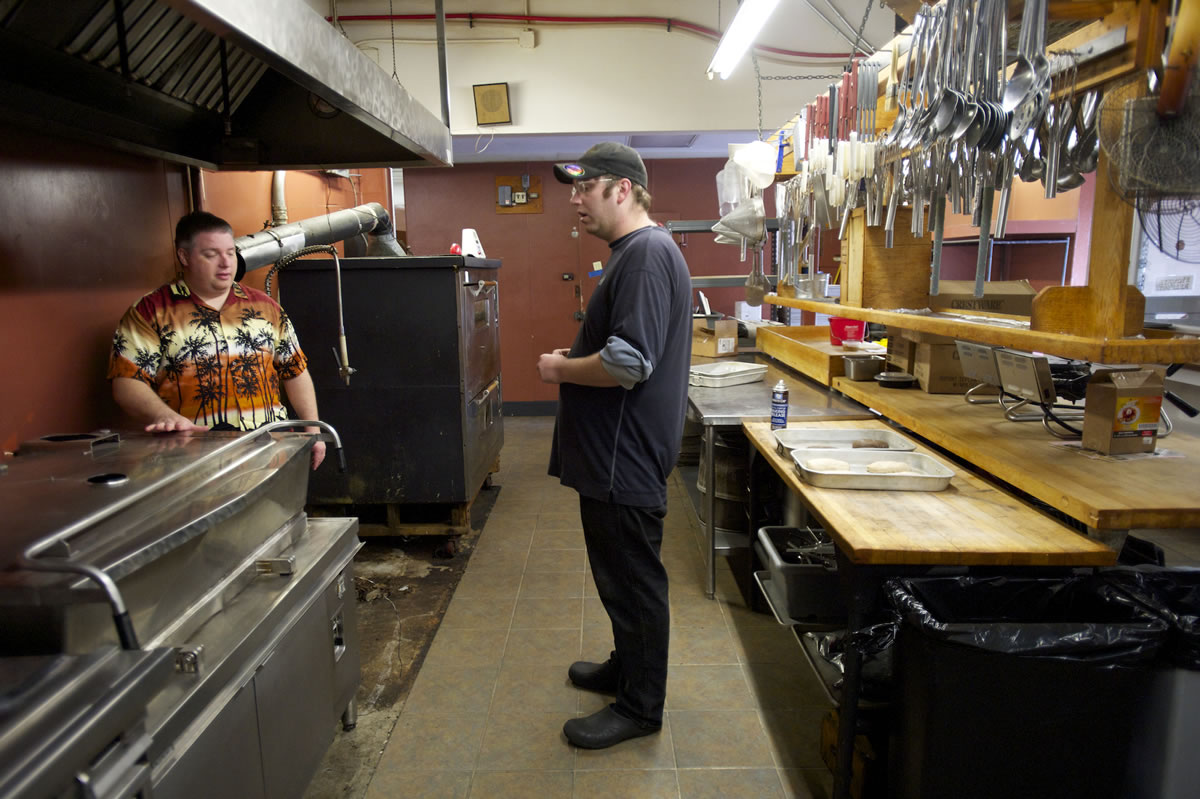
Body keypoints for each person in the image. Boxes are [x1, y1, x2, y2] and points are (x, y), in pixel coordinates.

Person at [537, 142, 692, 749]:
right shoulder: (635, 253)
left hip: (623, 459)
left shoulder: (647, 256)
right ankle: (627, 668)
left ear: (622, 190)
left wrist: (560, 368)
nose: (574, 200)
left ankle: (640, 707)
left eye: (585, 187)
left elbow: (630, 362)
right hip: (611, 459)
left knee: (634, 583)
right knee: (619, 580)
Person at [108, 211, 326, 470]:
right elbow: (127, 381)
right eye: (211, 255)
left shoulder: (265, 308)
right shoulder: (150, 312)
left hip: (269, 456)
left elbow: (294, 372)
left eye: (230, 252)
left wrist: (313, 429)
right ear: (184, 256)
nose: (225, 263)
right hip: (191, 463)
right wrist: (164, 415)